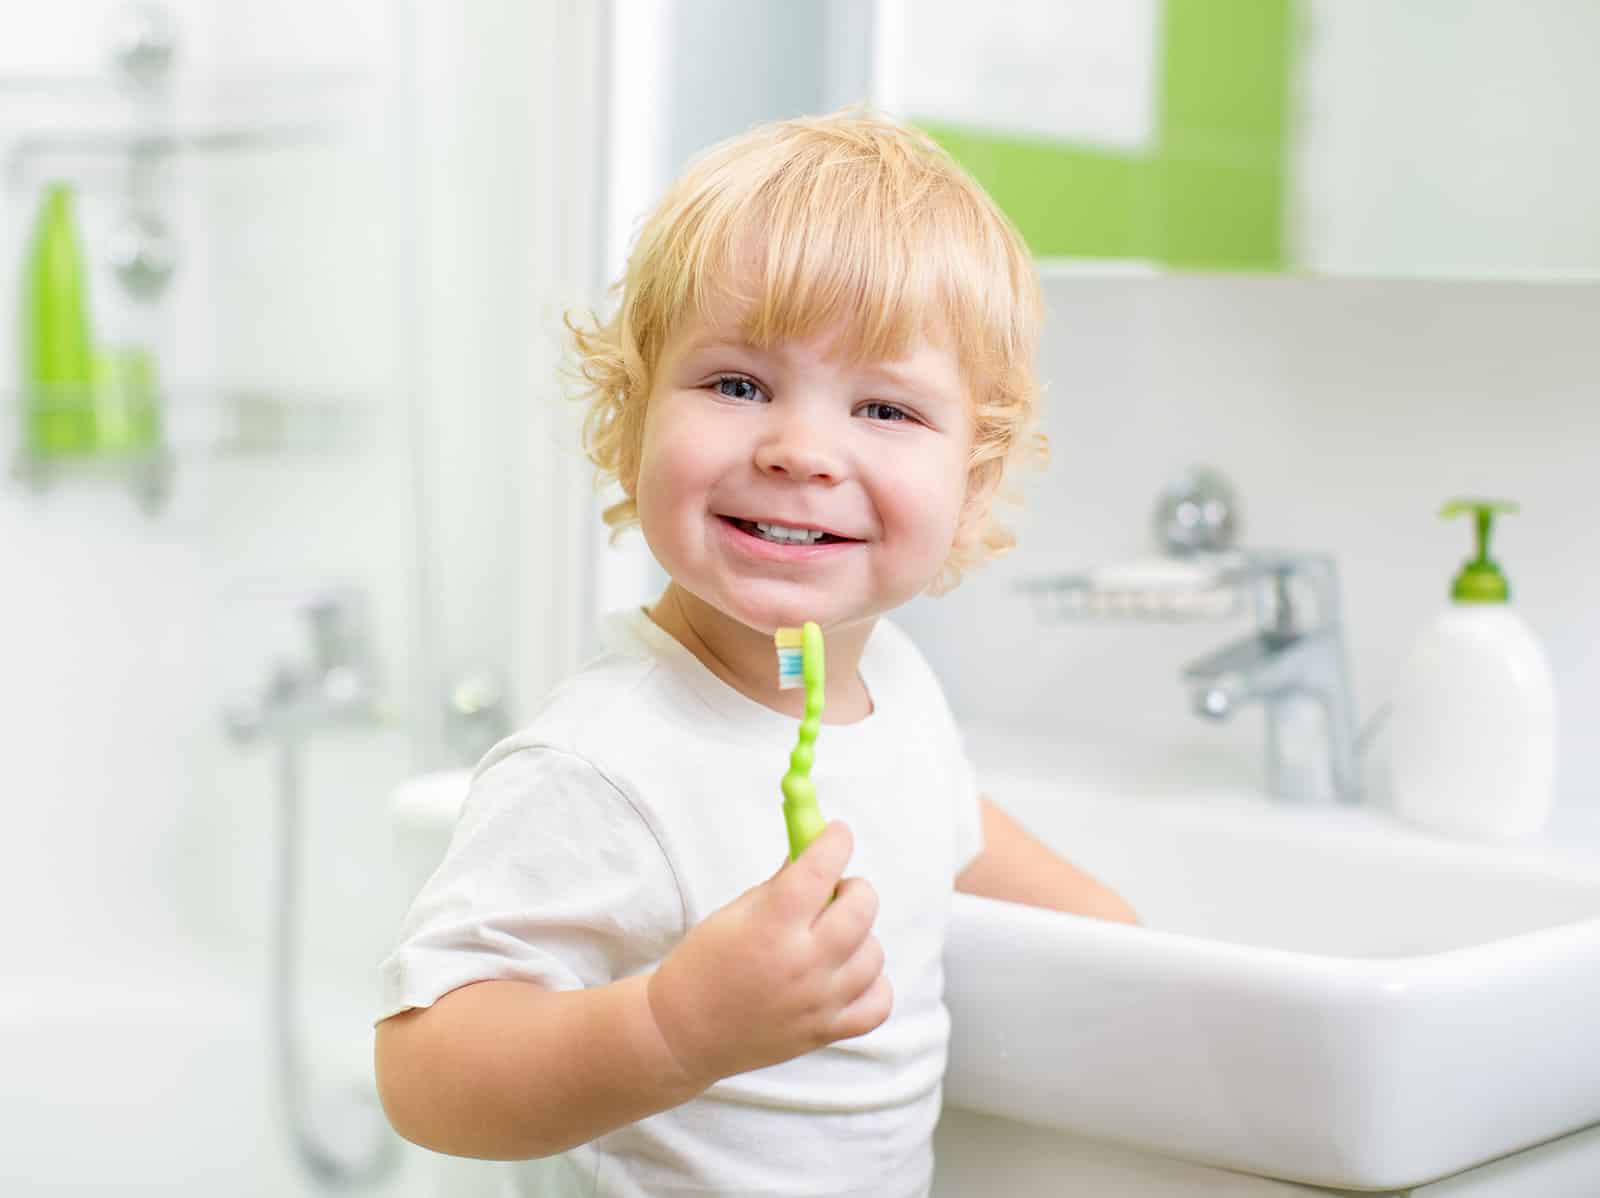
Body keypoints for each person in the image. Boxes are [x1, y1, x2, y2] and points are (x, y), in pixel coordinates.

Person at [373, 107, 1137, 1198]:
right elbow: (425, 1071)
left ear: (970, 486)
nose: (799, 451)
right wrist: (673, 1025)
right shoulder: (601, 762)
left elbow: (949, 823)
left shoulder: (894, 685)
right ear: (628, 424)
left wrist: (1125, 939)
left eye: (882, 406)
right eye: (738, 385)